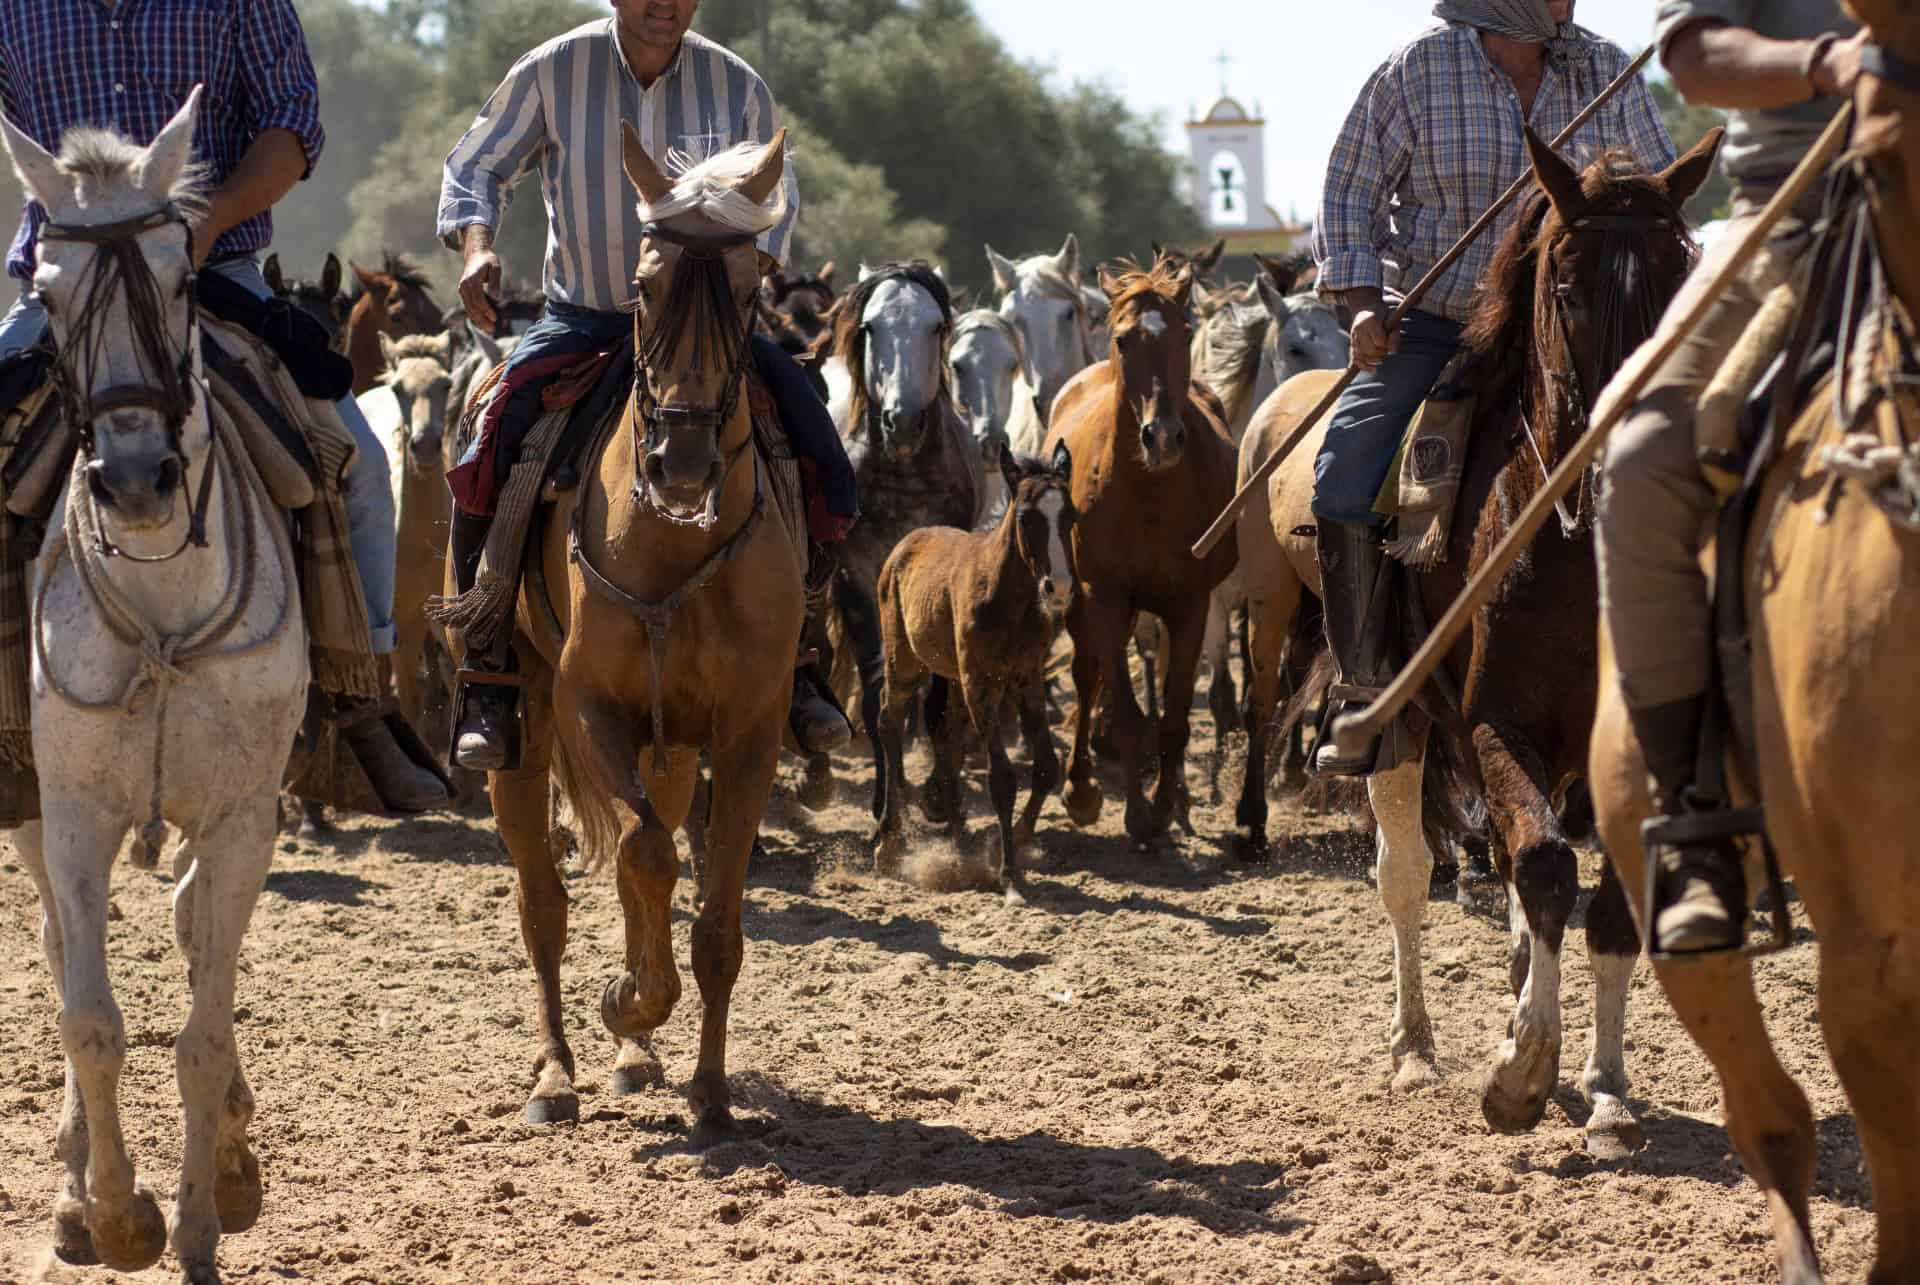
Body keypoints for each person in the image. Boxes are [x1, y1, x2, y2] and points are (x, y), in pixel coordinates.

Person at [0, 0, 448, 813]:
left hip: (211, 271)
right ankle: (6, 726)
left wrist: (205, 222)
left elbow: (290, 128)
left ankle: (360, 701)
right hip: (68, 288)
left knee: (358, 466)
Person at [438, 0, 859, 773]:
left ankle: (801, 656)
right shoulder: (553, 69)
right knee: (492, 439)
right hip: (587, 318)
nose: (661, 5)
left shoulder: (738, 86)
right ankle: (488, 670)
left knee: (816, 445)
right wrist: (477, 247)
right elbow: (475, 165)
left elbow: (778, 200)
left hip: (705, 331)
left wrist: (733, 278)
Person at [1310, 0, 1674, 775]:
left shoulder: (1607, 68)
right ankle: (1367, 690)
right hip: (1443, 325)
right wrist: (1364, 303)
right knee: (1344, 473)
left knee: (1702, 449)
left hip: (1584, 326)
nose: (1567, 1)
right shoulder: (1417, 71)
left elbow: (1660, 193)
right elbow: (1349, 193)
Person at [1596, 2, 1865, 954]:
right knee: (1636, 464)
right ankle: (1699, 824)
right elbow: (1699, 57)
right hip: (1787, 223)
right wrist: (1834, 61)